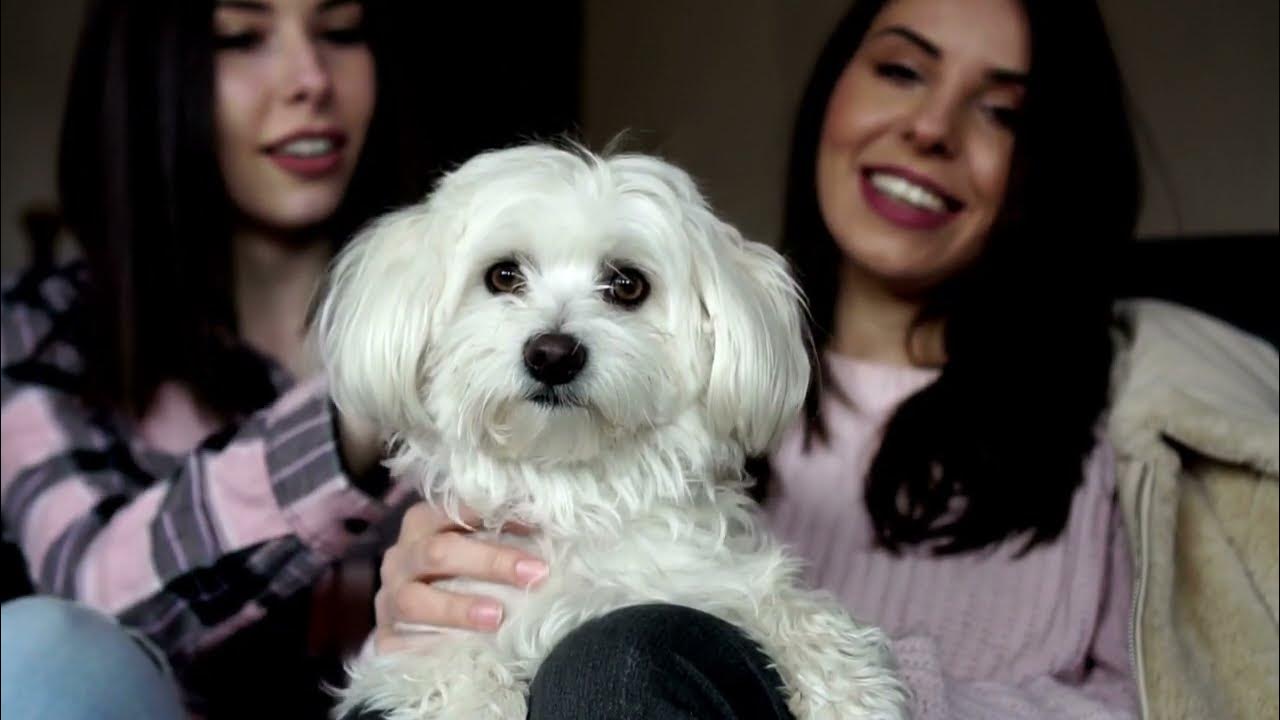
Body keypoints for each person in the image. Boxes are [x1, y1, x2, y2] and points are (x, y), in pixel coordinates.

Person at [370, 0, 1146, 718]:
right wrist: (408, 632)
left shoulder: (1139, 420)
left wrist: (846, 682)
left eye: (1002, 111)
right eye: (902, 71)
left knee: (619, 662)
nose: (931, 129)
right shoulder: (465, 489)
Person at [0, 0, 441, 716]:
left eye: (340, 32)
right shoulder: (38, 327)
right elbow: (85, 613)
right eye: (241, 38)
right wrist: (356, 411)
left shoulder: (485, 312)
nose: (311, 80)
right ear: (147, 79)